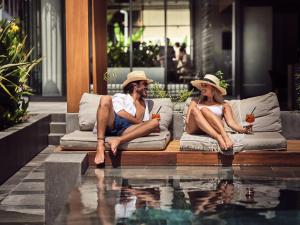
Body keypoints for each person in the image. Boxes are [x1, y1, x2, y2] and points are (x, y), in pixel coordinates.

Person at [94, 71, 160, 165]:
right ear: (135, 85)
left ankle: (118, 140)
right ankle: (100, 144)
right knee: (105, 98)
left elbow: (143, 123)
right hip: (113, 122)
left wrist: (151, 127)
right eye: (144, 84)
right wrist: (137, 121)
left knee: (155, 123)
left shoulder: (145, 103)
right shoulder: (121, 97)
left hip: (127, 129)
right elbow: (119, 112)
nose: (147, 87)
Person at [186, 74, 251, 151]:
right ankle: (219, 137)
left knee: (204, 110)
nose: (202, 87)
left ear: (214, 88)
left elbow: (231, 123)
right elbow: (187, 121)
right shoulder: (195, 101)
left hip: (214, 128)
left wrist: (242, 129)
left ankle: (222, 136)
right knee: (198, 109)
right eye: (202, 85)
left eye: (205, 85)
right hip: (195, 128)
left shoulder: (224, 105)